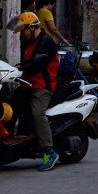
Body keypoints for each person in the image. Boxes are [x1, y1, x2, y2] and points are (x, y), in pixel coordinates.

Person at [10, 11, 60, 171]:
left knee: (38, 113)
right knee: (8, 108)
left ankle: (49, 151)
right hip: (26, 85)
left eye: (23, 31)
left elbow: (35, 64)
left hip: (42, 87)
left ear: (32, 28)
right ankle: (9, 150)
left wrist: (20, 68)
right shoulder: (27, 42)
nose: (21, 35)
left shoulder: (46, 42)